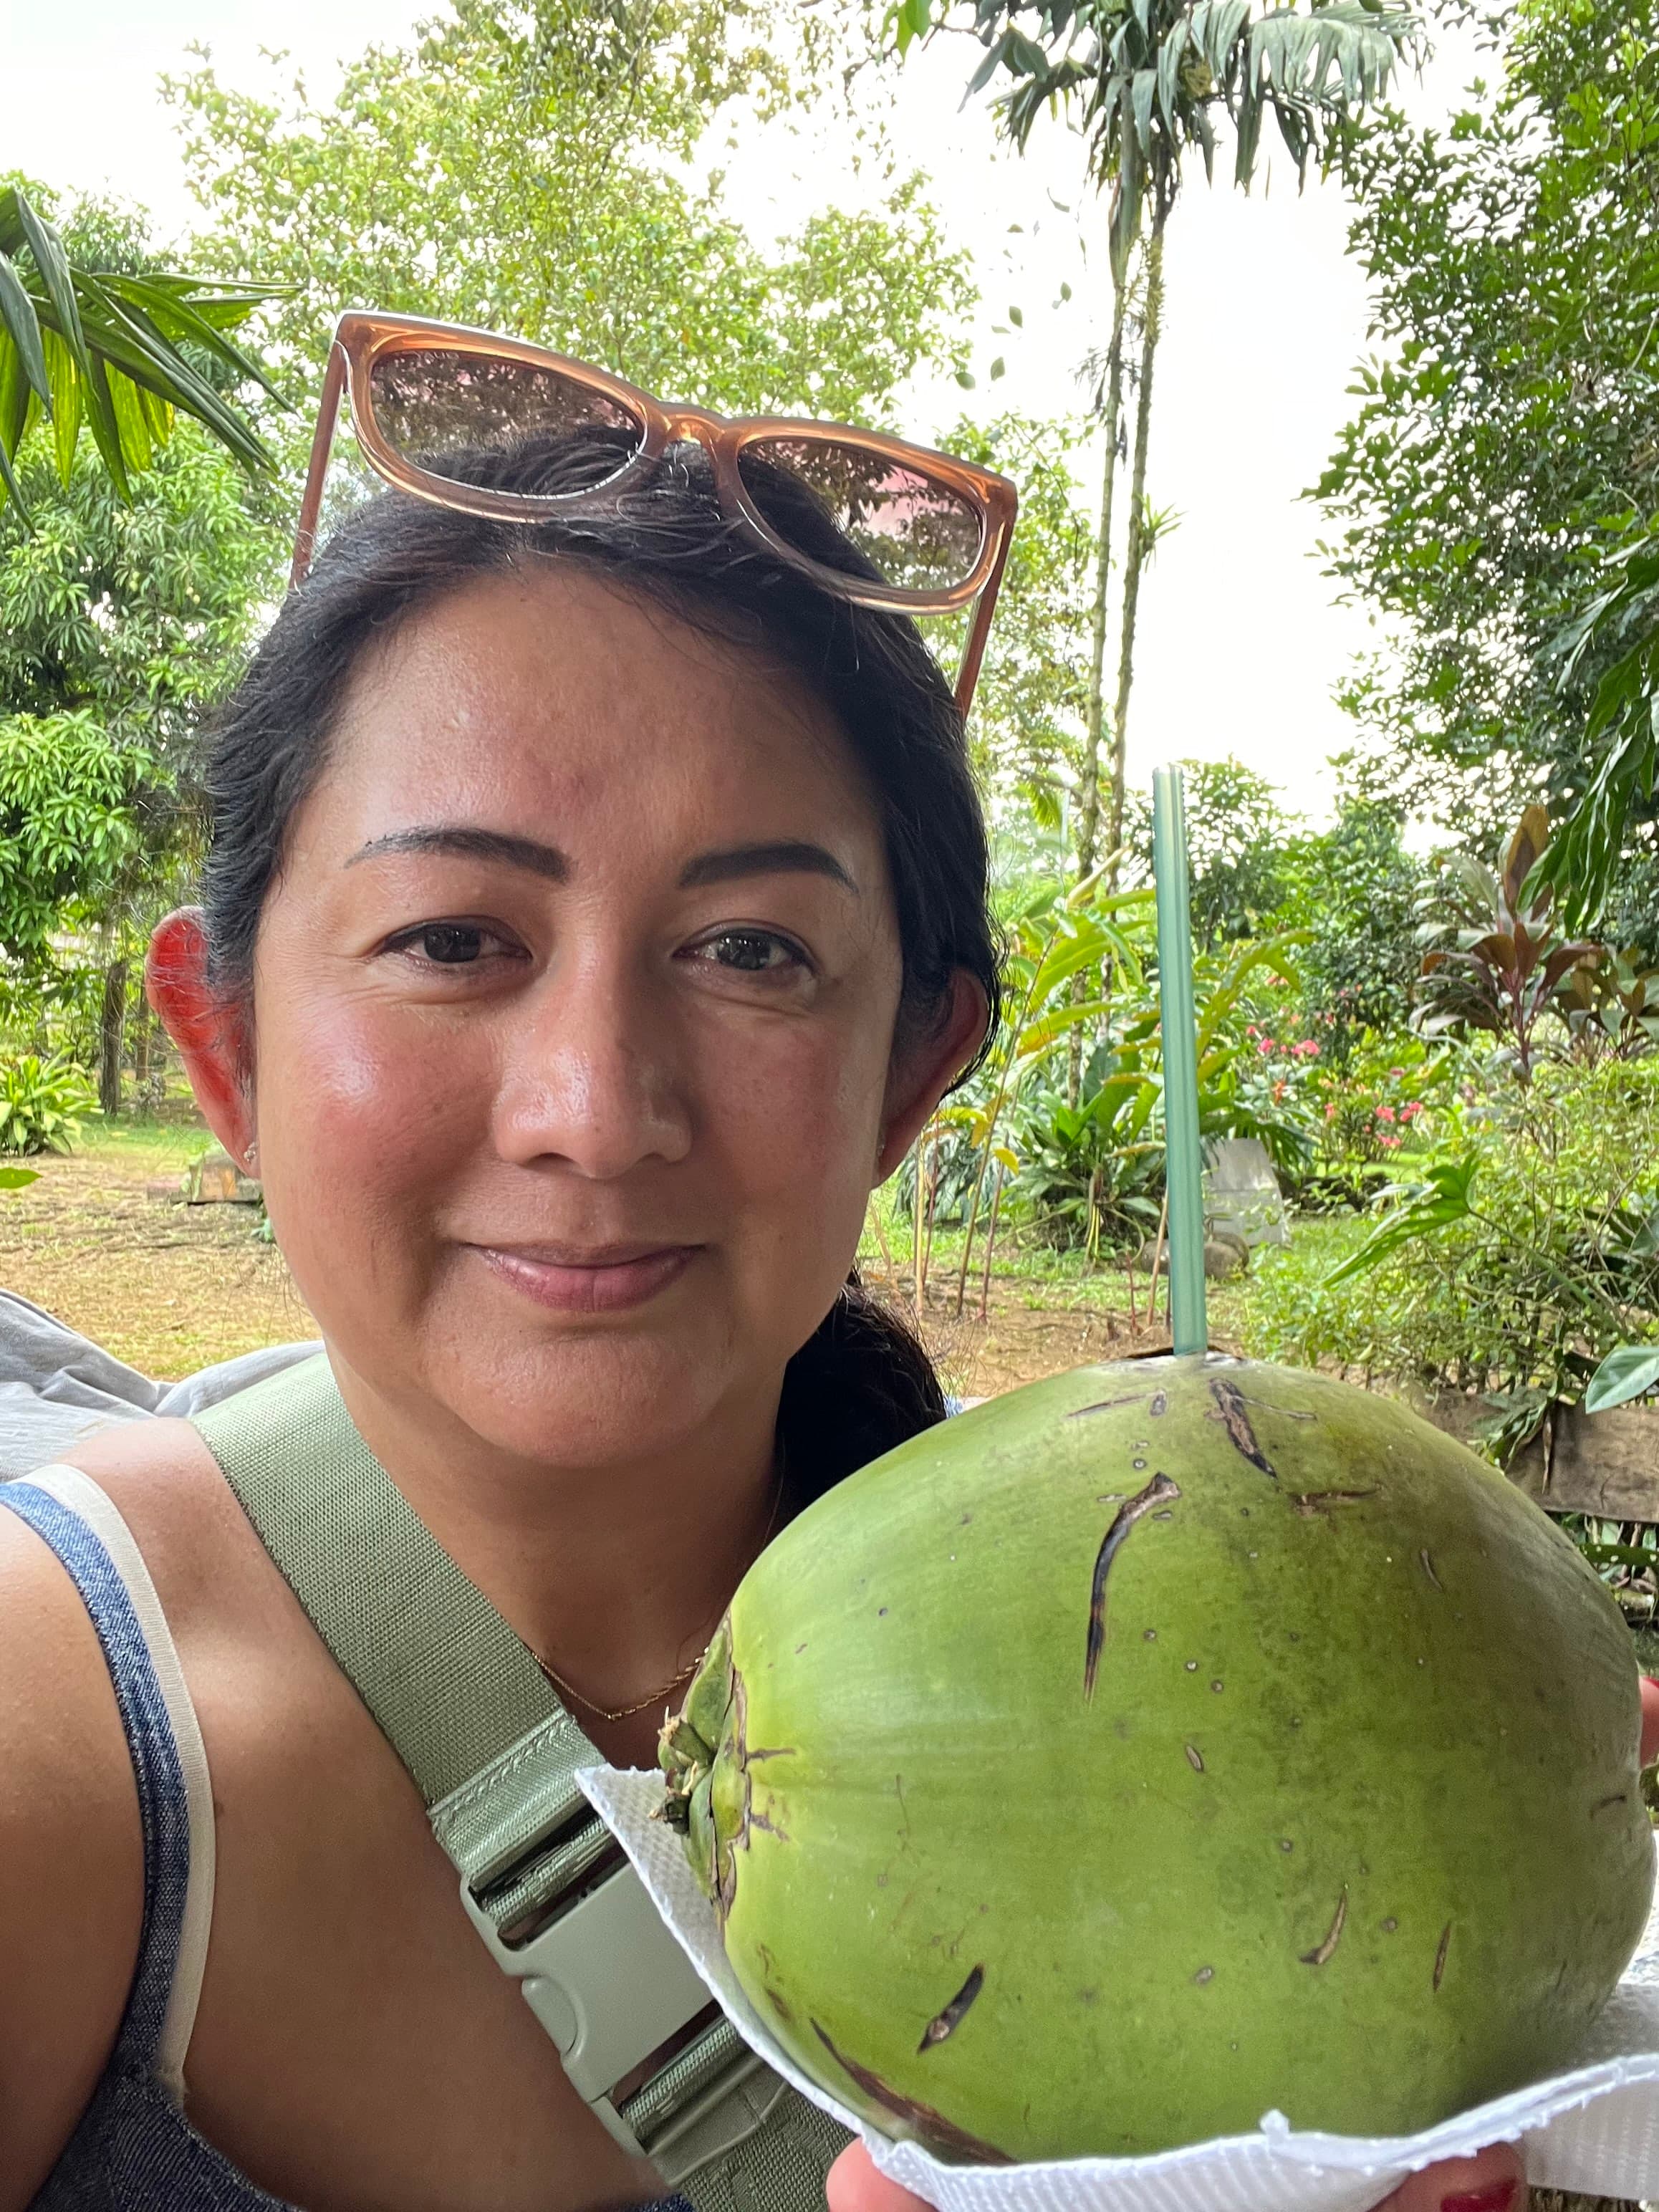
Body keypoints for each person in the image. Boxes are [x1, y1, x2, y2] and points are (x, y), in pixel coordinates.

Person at [0, 316, 1630, 2212]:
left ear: (908, 1070)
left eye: (752, 949)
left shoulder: (1206, 1623)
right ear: (230, 1050)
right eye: (455, 936)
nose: (593, 1111)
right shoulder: (57, 1738)